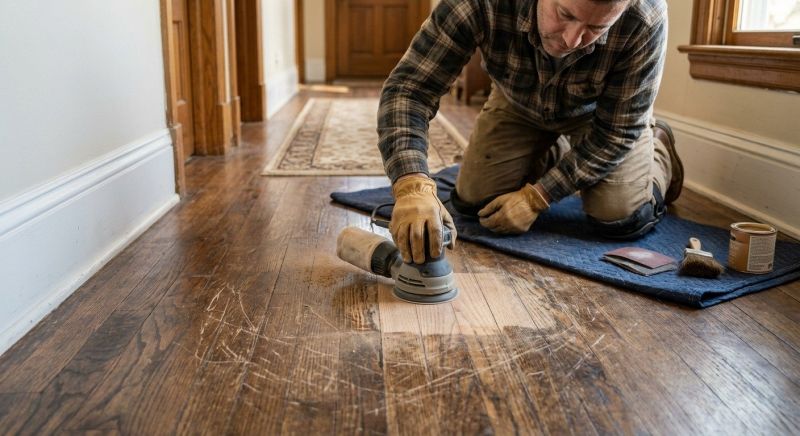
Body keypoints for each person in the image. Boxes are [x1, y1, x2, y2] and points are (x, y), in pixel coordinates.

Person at [378, 0, 683, 265]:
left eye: (596, 28)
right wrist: (411, 185)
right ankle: (559, 152)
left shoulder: (646, 15)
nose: (573, 40)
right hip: (517, 102)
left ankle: (658, 149)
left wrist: (537, 196)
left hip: (599, 116)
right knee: (475, 204)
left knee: (619, 218)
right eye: (565, 14)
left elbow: (616, 133)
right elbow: (410, 90)